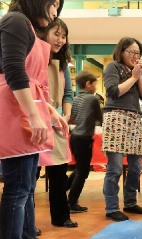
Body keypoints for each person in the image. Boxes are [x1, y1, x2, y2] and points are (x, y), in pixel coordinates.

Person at [0, 0, 69, 239]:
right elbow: (14, 71)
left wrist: (50, 111)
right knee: (17, 189)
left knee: (27, 188)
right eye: (53, 4)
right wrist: (33, 114)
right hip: (15, 114)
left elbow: (35, 82)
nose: (55, 12)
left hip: (28, 113)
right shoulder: (14, 22)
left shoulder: (29, 27)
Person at [102, 37, 142, 222]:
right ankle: (111, 207)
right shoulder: (112, 66)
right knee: (114, 168)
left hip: (134, 118)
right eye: (131, 51)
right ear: (121, 51)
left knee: (136, 167)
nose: (134, 55)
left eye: (137, 53)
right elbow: (114, 92)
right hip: (115, 117)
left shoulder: (137, 71)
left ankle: (130, 202)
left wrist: (138, 76)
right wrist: (133, 77)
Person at [39, 18, 77, 228]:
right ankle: (27, 225)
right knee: (31, 174)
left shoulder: (62, 64)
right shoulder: (34, 57)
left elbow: (69, 95)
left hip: (58, 123)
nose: (60, 40)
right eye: (56, 34)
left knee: (59, 173)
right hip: (37, 120)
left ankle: (61, 216)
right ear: (44, 33)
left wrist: (65, 116)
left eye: (64, 36)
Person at [67, 70, 103, 213]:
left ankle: (65, 192)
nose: (95, 87)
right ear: (88, 84)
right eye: (95, 84)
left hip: (75, 137)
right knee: (83, 172)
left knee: (78, 169)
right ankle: (72, 201)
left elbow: (72, 118)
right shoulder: (93, 99)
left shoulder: (75, 99)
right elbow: (100, 117)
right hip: (84, 138)